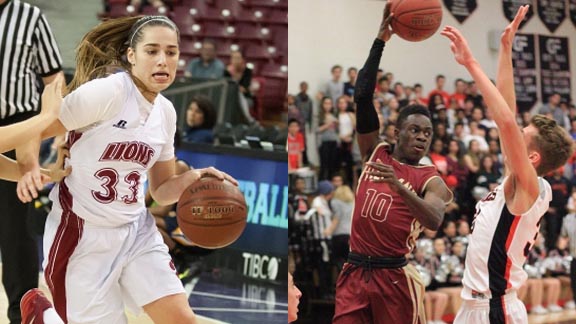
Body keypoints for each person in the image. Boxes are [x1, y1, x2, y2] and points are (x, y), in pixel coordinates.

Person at [16, 15, 237, 324]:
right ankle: (44, 318)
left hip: (137, 232)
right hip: (83, 235)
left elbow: (160, 190)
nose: (163, 61)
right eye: (152, 51)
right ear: (131, 56)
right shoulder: (107, 93)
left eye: (171, 52)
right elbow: (33, 130)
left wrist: (190, 179)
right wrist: (29, 167)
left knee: (182, 320)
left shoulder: (166, 112)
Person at [441, 6, 574, 323]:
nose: (513, 134)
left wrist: (471, 64)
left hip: (495, 309)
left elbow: (506, 121)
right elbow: (508, 108)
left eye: (522, 136)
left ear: (532, 157)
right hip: (477, 306)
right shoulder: (520, 181)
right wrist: (504, 49)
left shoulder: (528, 187)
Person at [332, 4, 453, 323]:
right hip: (355, 270)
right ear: (397, 132)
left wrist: (399, 186)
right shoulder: (375, 151)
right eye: (414, 130)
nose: (422, 137)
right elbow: (361, 95)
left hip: (395, 278)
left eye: (427, 133)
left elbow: (434, 219)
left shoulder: (431, 178)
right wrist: (379, 41)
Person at [0, 1, 65, 322]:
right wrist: (51, 118)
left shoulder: (30, 16)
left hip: (23, 125)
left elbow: (54, 80)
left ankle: (23, 314)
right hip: (29, 128)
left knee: (16, 233)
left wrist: (52, 127)